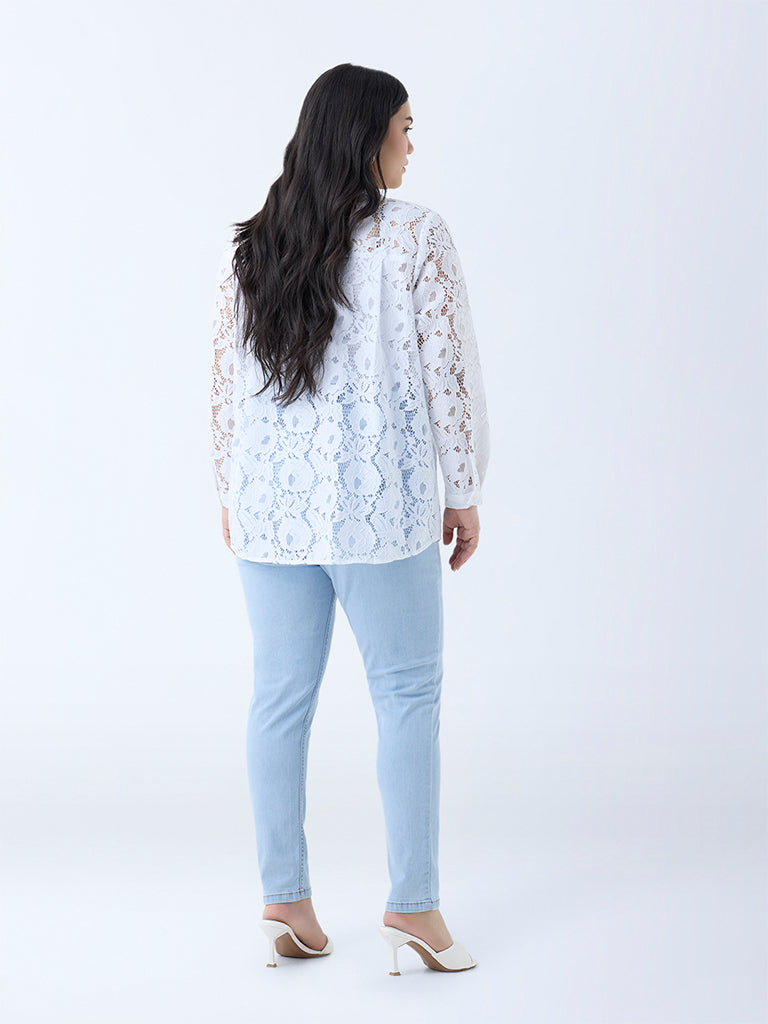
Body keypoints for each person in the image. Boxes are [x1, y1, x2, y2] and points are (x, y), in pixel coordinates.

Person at [209, 63, 490, 975]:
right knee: (406, 696)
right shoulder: (415, 237)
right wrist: (464, 488)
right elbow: (449, 373)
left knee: (278, 698)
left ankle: (284, 902)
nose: (412, 143)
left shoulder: (256, 245)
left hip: (272, 514)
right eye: (403, 126)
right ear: (365, 136)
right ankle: (415, 909)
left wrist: (232, 494)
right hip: (381, 509)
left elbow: (224, 385)